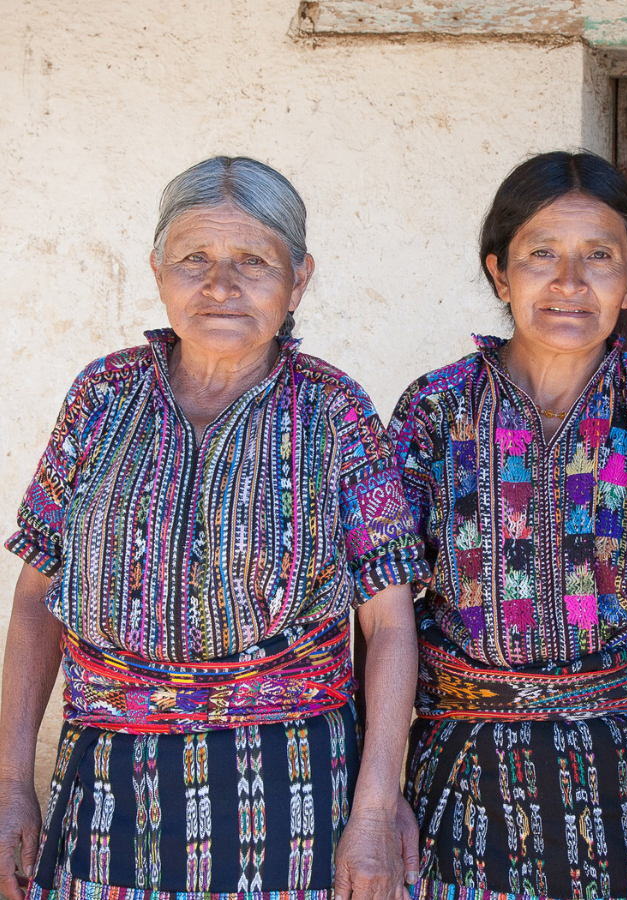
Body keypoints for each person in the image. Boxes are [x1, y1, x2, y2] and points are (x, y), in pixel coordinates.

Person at [0, 156, 429, 900]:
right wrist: (11, 783)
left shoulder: (334, 412)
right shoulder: (103, 394)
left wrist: (374, 807)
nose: (221, 285)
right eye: (194, 258)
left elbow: (389, 624)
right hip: (103, 785)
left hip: (292, 794)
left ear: (299, 280)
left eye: (253, 261)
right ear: (159, 271)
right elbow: (38, 594)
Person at [388, 151, 627, 900]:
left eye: (600, 257)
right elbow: (383, 614)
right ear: (499, 273)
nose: (570, 284)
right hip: (459, 779)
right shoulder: (433, 411)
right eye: (542, 254)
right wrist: (381, 792)